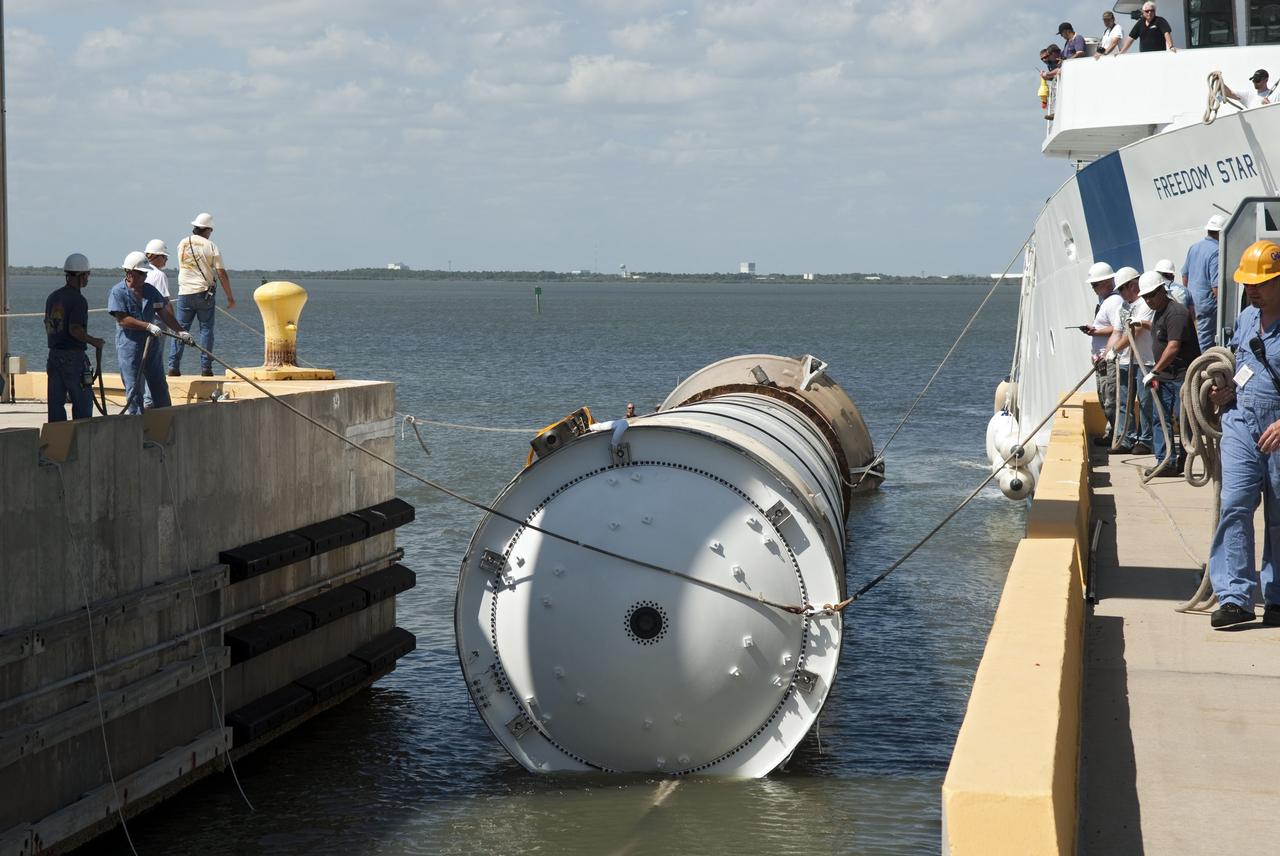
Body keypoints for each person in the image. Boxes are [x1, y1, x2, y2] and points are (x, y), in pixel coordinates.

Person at [1204, 240, 1280, 628]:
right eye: (1247, 283)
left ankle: (1278, 595)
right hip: (1240, 423)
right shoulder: (1249, 317)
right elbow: (1242, 363)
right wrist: (1226, 389)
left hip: (1278, 427)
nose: (1251, 289)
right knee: (1234, 503)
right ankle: (1235, 596)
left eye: (1260, 283)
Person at [108, 251, 193, 414]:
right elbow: (122, 319)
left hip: (150, 346)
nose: (145, 277)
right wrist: (147, 326)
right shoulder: (117, 292)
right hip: (129, 348)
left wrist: (181, 331)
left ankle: (166, 422)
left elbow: (163, 312)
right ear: (130, 273)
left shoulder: (149, 290)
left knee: (159, 385)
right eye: (141, 274)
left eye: (146, 274)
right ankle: (136, 424)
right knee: (134, 389)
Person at [1139, 272, 1201, 476]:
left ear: (1161, 291)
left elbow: (1174, 346)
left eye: (1151, 295)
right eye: (1145, 297)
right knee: (1160, 418)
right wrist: (1140, 324)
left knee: (1184, 420)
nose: (1148, 300)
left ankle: (1186, 458)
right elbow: (1161, 333)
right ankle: (1166, 461)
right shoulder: (1159, 312)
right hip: (1166, 376)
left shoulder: (1176, 313)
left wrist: (1154, 371)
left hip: (1182, 377)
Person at [170, 212, 235, 377]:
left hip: (184, 292)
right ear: (207, 230)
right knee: (206, 330)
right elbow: (221, 273)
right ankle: (206, 368)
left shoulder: (182, 243)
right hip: (204, 292)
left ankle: (173, 366)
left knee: (180, 330)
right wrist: (230, 297)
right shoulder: (211, 246)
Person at [43, 253, 104, 423]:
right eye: (87, 275)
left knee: (55, 406)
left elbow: (49, 324)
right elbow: (75, 329)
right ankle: (82, 444)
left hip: (54, 355)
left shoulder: (53, 297)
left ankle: (57, 442)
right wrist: (94, 341)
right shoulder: (78, 300)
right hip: (73, 357)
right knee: (83, 405)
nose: (87, 279)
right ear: (80, 275)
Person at [1104, 267, 1154, 454]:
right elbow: (1117, 332)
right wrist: (1107, 353)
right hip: (1125, 362)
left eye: (1122, 289)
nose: (1121, 294)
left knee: (1145, 401)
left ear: (1132, 285)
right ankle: (1126, 438)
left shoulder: (1145, 305)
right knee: (1124, 402)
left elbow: (1135, 332)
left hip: (1145, 361)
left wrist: (1116, 349)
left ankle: (1145, 440)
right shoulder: (1122, 308)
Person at [1081, 261, 1125, 445]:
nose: (1093, 288)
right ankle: (1113, 434)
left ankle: (1118, 436)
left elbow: (1119, 329)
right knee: (1105, 398)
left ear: (1107, 282)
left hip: (1109, 359)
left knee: (1110, 399)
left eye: (1095, 284)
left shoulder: (1114, 301)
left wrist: (1096, 333)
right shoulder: (1105, 301)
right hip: (1102, 359)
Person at [1182, 213, 1224, 351]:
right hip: (1208, 308)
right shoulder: (1217, 251)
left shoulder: (1194, 247)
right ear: (1221, 233)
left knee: (1197, 342)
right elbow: (1216, 286)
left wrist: (1189, 300)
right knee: (1205, 349)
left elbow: (1185, 275)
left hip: (1194, 304)